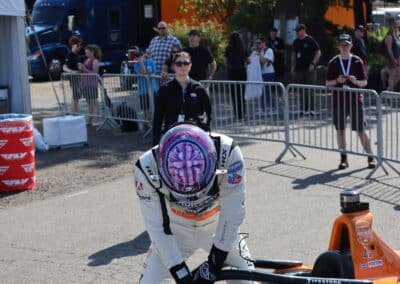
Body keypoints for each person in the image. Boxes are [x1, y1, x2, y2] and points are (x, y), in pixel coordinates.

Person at [134, 123, 255, 283]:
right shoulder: (145, 167)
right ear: (161, 168)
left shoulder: (229, 153)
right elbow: (156, 227)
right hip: (176, 232)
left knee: (247, 280)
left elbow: (232, 212)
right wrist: (180, 272)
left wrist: (216, 260)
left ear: (213, 160)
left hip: (218, 226)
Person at [326, 34, 376, 170]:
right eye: (342, 45)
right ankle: (343, 159)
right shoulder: (333, 62)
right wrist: (337, 81)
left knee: (360, 131)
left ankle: (371, 157)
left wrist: (355, 82)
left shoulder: (357, 61)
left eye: (347, 45)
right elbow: (327, 83)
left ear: (351, 46)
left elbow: (365, 82)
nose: (344, 47)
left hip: (355, 101)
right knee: (340, 131)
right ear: (338, 46)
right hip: (338, 101)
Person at [152, 51, 212, 146]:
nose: (182, 66)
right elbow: (157, 118)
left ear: (190, 65)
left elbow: (209, 112)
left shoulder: (199, 88)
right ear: (173, 66)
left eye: (186, 63)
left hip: (195, 137)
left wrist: (206, 130)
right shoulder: (164, 89)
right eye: (179, 63)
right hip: (172, 137)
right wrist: (155, 144)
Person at [291, 24, 321, 115]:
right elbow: (293, 54)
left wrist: (313, 63)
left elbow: (318, 52)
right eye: (296, 31)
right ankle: (303, 109)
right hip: (299, 68)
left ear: (303, 30)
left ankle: (311, 109)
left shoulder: (310, 40)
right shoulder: (296, 41)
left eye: (298, 30)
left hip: (309, 68)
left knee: (310, 88)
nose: (296, 32)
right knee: (301, 89)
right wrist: (292, 67)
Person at [223, 32, 249, 120]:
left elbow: (225, 61)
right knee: (242, 93)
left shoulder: (228, 48)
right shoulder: (243, 48)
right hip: (242, 71)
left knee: (234, 94)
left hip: (232, 71)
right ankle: (242, 114)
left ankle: (236, 114)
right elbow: (248, 61)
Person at [252, 36, 276, 115]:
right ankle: (267, 108)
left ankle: (270, 108)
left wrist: (258, 54)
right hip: (261, 73)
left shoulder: (269, 50)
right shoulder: (259, 52)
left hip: (269, 73)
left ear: (264, 43)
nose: (258, 45)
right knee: (264, 91)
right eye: (257, 43)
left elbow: (264, 60)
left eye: (259, 43)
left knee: (265, 91)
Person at [133, 49, 158, 123]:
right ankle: (146, 122)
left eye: (140, 55)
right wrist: (141, 62)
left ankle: (154, 122)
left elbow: (154, 73)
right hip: (142, 90)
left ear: (144, 54)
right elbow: (143, 72)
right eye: (137, 56)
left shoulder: (151, 62)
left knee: (154, 107)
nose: (139, 57)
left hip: (152, 89)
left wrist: (148, 73)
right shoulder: (136, 65)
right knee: (145, 108)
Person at [79, 44, 102, 126]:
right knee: (90, 103)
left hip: (91, 84)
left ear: (92, 52)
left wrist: (84, 69)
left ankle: (92, 120)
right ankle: (92, 120)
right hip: (85, 84)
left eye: (87, 53)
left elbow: (95, 73)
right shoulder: (87, 60)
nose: (86, 54)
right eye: (85, 53)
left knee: (93, 102)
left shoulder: (95, 61)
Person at [62, 36, 83, 114]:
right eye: (79, 45)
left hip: (78, 78)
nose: (80, 47)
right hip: (74, 79)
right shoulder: (70, 55)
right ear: (75, 45)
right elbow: (64, 67)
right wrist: (72, 72)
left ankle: (75, 112)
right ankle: (74, 113)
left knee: (76, 96)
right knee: (75, 96)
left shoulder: (76, 55)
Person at [383, 19, 400, 91]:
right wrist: (393, 59)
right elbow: (389, 49)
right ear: (391, 27)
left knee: (398, 74)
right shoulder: (389, 36)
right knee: (392, 75)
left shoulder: (396, 36)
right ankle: (390, 91)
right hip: (391, 59)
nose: (396, 28)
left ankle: (388, 90)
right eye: (394, 27)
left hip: (397, 58)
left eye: (397, 27)